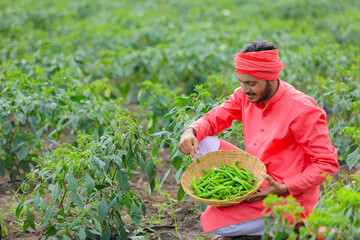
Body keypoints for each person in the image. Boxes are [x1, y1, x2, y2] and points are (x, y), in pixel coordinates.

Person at [177, 40, 339, 240]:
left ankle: (289, 227)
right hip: (254, 177)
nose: (245, 90)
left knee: (222, 228)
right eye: (241, 82)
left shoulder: (303, 110)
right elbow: (213, 119)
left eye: (251, 83)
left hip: (285, 194)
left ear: (270, 79)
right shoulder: (245, 96)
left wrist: (285, 187)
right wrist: (190, 130)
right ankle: (248, 218)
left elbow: (327, 164)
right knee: (200, 141)